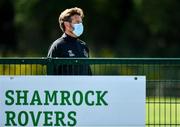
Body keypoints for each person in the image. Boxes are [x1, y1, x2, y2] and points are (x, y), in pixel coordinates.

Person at [47, 7, 92, 75]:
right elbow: (51, 73)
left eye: (81, 22)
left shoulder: (83, 45)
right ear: (67, 24)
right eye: (77, 22)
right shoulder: (58, 45)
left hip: (84, 86)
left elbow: (88, 73)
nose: (81, 25)